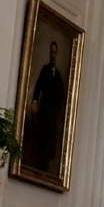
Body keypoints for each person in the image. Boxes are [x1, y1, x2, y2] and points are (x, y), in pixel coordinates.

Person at [23, 40, 66, 172]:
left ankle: (44, 167)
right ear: (49, 53)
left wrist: (57, 111)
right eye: (51, 52)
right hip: (43, 111)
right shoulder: (45, 70)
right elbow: (38, 87)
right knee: (40, 140)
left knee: (49, 142)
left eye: (55, 52)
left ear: (56, 54)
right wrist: (35, 101)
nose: (53, 55)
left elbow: (61, 95)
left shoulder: (58, 75)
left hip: (52, 115)